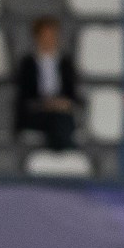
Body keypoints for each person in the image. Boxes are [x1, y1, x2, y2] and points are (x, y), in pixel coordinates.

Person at [14, 14, 82, 150]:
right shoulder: (27, 64)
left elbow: (72, 94)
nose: (49, 39)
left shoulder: (65, 63)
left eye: (52, 35)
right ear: (37, 37)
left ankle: (59, 149)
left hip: (61, 111)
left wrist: (62, 104)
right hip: (36, 113)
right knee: (59, 121)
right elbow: (24, 97)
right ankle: (66, 149)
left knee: (61, 118)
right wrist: (46, 104)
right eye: (45, 35)